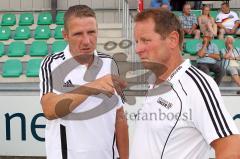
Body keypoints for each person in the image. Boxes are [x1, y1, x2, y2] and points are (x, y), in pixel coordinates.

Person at [131, 8, 240, 159]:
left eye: (145, 40)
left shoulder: (197, 85)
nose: (137, 49)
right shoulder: (156, 82)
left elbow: (232, 149)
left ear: (173, 40)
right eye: (137, 41)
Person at [39, 5, 129, 159]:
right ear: (65, 35)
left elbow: (119, 117)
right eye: (78, 34)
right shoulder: (51, 64)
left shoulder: (110, 63)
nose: (87, 41)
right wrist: (91, 87)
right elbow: (49, 110)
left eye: (91, 32)